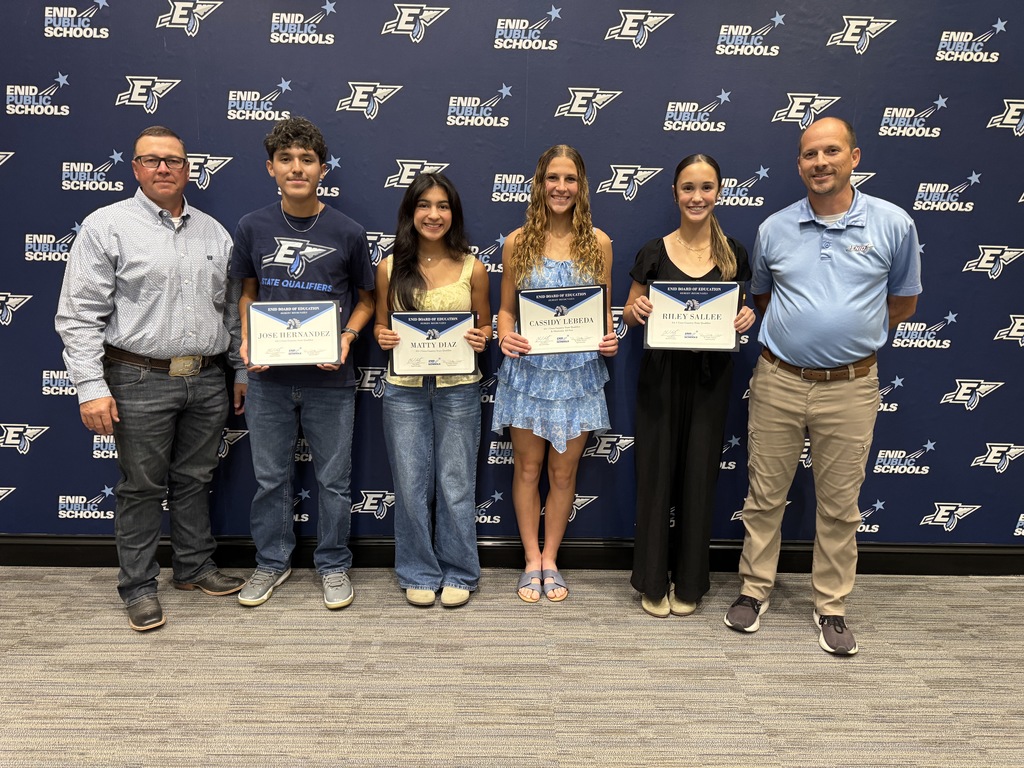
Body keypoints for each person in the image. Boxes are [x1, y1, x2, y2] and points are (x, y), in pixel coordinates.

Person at [724, 117, 922, 655]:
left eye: (831, 151)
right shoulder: (775, 228)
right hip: (779, 380)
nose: (820, 162)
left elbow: (903, 303)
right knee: (765, 496)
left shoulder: (893, 224)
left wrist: (848, 338)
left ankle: (831, 606)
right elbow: (764, 299)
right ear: (799, 164)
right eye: (810, 154)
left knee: (840, 503)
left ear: (854, 157)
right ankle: (754, 590)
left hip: (851, 386)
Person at [55, 126, 246, 632]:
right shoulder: (107, 226)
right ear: (135, 168)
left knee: (195, 479)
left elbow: (230, 314)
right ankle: (138, 586)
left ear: (189, 169)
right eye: (151, 160)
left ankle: (194, 567)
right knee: (140, 487)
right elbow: (78, 316)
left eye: (174, 160)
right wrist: (91, 388)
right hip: (137, 377)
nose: (164, 168)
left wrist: (240, 370)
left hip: (206, 378)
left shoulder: (215, 232)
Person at [230, 117, 374, 610]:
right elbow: (247, 294)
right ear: (271, 168)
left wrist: (348, 337)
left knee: (333, 481)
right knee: (271, 479)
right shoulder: (252, 226)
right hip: (268, 380)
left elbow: (367, 300)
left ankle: (333, 564)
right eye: (287, 159)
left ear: (322, 167)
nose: (297, 168)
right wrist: (248, 344)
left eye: (307, 159)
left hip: (329, 382)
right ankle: (271, 562)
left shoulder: (348, 232)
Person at [623, 154, 755, 619]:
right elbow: (629, 310)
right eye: (687, 188)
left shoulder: (734, 253)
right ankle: (652, 579)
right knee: (657, 477)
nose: (696, 197)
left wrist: (746, 316)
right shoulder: (653, 251)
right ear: (675, 193)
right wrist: (635, 313)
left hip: (710, 380)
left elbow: (744, 310)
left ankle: (692, 581)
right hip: (660, 377)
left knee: (700, 476)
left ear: (719, 191)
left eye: (705, 187)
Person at [493, 145, 619, 603]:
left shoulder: (599, 243)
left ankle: (551, 559)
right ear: (539, 183)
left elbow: (604, 317)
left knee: (564, 476)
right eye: (552, 178)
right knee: (528, 468)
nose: (560, 188)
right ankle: (530, 560)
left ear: (582, 186)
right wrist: (505, 336)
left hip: (580, 376)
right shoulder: (517, 242)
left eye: (570, 179)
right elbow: (506, 312)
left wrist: (609, 338)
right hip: (527, 374)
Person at [374, 173, 491, 608]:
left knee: (456, 483)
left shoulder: (472, 268)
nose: (433, 214)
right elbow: (381, 323)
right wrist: (382, 335)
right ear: (411, 212)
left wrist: (483, 337)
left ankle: (460, 570)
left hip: (459, 389)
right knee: (409, 484)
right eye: (424, 205)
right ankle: (418, 571)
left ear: (453, 214)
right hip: (404, 390)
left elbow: (484, 327)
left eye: (443, 206)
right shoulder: (388, 267)